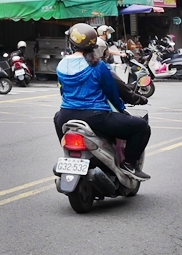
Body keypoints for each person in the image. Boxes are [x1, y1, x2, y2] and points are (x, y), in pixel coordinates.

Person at [55, 23, 151, 180]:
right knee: (142, 127)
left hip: (65, 116)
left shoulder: (61, 64)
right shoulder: (98, 66)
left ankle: (69, 157)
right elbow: (112, 93)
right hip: (96, 118)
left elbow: (62, 91)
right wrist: (121, 110)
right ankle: (129, 165)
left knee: (56, 118)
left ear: (71, 44)